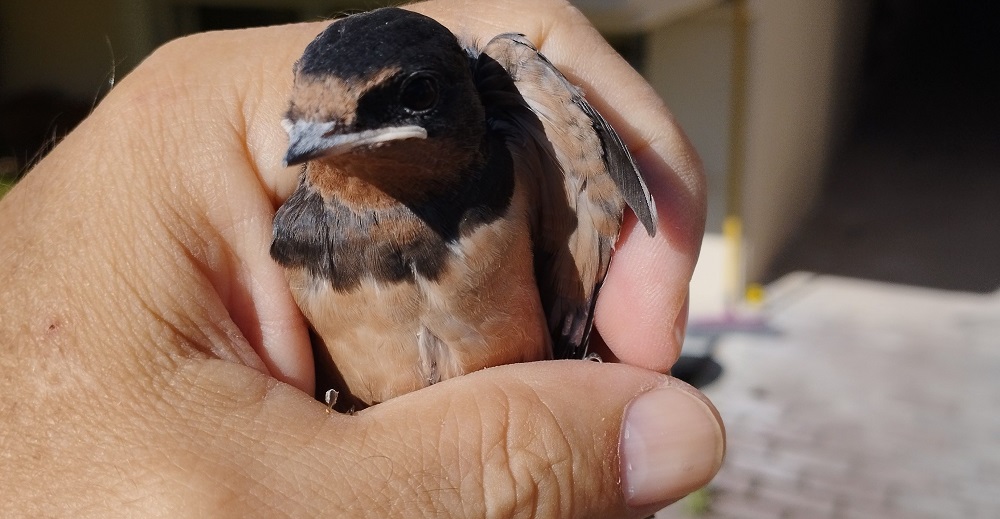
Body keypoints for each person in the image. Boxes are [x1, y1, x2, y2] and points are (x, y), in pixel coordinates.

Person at [0, 0, 724, 516]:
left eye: (403, 99)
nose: (316, 139)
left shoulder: (517, 158)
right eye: (305, 119)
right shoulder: (289, 243)